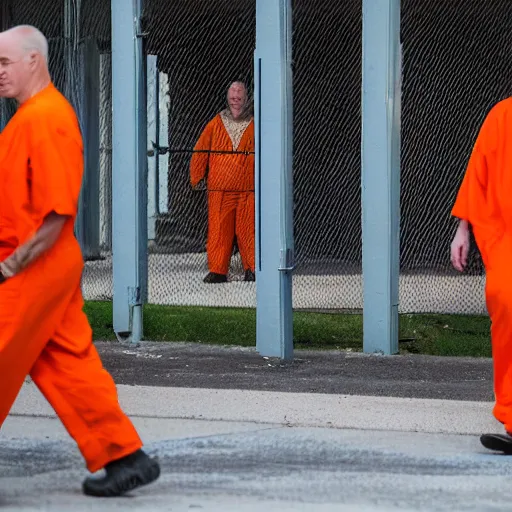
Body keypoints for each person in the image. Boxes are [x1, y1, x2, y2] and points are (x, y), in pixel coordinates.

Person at [0, 25, 160, 495]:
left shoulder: (45, 118)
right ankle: (124, 456)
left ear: (34, 60)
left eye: (5, 62)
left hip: (31, 264)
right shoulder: (31, 117)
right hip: (44, 265)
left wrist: (10, 267)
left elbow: (55, 213)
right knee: (67, 362)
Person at [450, 96, 512, 454]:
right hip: (505, 237)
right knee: (505, 308)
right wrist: (463, 228)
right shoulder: (501, 115)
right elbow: (478, 173)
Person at [190, 81, 255, 284]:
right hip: (220, 190)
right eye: (232, 95)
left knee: (249, 230)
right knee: (219, 230)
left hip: (248, 190)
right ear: (227, 98)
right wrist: (197, 176)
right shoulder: (216, 123)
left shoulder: (255, 124)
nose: (236, 98)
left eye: (240, 95)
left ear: (247, 98)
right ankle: (218, 270)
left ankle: (253, 268)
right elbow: (200, 149)